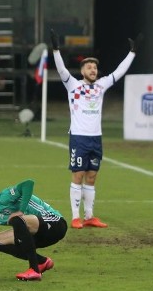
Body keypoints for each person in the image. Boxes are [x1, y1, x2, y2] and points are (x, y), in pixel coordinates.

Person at [51, 29, 138, 229]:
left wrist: (132, 52)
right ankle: (75, 217)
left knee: (91, 177)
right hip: (79, 138)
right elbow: (62, 69)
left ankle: (89, 216)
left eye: (94, 68)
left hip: (95, 138)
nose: (92, 70)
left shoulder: (101, 85)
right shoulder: (73, 85)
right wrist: (56, 50)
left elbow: (119, 72)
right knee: (78, 175)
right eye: (89, 67)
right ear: (82, 71)